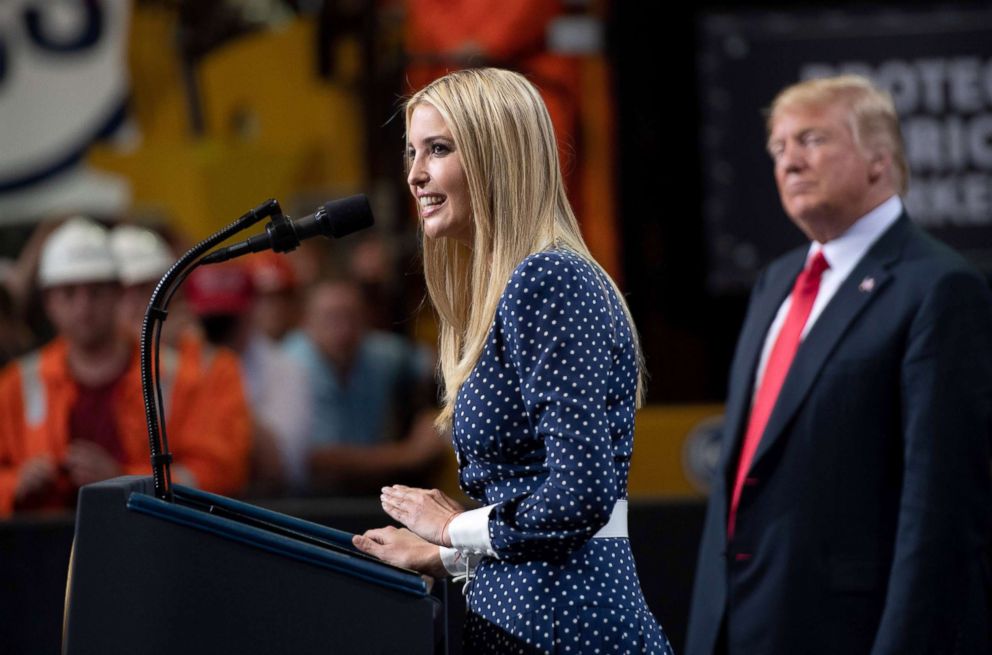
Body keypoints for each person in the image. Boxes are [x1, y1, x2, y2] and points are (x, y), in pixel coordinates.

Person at [351, 68, 672, 654]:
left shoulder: (548, 280)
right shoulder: (515, 288)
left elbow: (580, 492)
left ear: (497, 158)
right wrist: (447, 554)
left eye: (438, 149)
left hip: (565, 628)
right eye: (412, 152)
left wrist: (452, 528)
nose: (415, 174)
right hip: (531, 619)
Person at [686, 75, 992, 655]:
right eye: (778, 148)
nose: (789, 162)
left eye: (811, 140)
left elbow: (940, 508)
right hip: (735, 625)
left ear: (879, 160)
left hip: (850, 632)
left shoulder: (939, 288)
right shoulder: (775, 282)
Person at [0, 217, 251, 516]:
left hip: (150, 544)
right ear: (49, 302)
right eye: (69, 293)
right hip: (42, 548)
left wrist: (123, 479)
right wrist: (16, 485)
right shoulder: (18, 382)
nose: (83, 307)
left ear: (117, 293)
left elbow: (220, 472)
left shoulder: (181, 376)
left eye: (95, 291)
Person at [282, 278, 445, 494]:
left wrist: (436, 414)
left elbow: (438, 364)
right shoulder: (293, 364)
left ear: (365, 318)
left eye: (351, 316)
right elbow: (318, 458)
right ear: (305, 322)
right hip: (305, 499)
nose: (344, 328)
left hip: (372, 493)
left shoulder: (379, 352)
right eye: (331, 317)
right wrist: (409, 454)